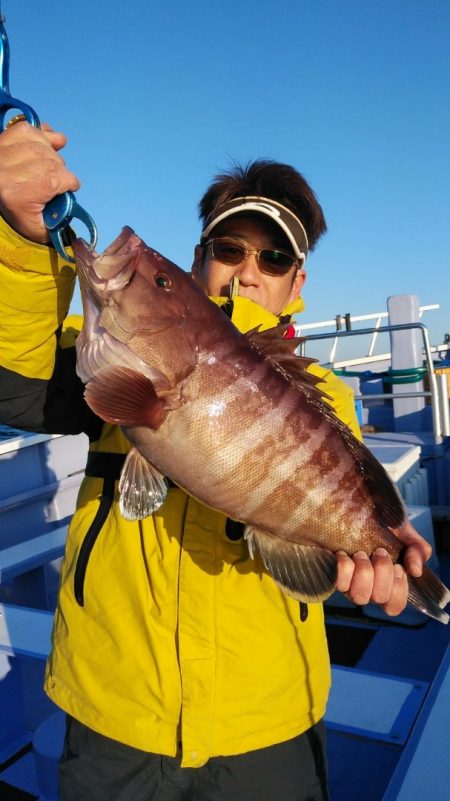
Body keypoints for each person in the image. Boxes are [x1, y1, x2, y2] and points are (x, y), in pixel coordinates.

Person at [0, 122, 431, 801]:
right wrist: (22, 244)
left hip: (267, 722)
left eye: (275, 257)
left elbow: (341, 496)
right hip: (116, 710)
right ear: (200, 260)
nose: (249, 270)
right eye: (229, 248)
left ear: (298, 280)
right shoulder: (108, 355)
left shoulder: (330, 397)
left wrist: (380, 540)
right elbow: (17, 383)